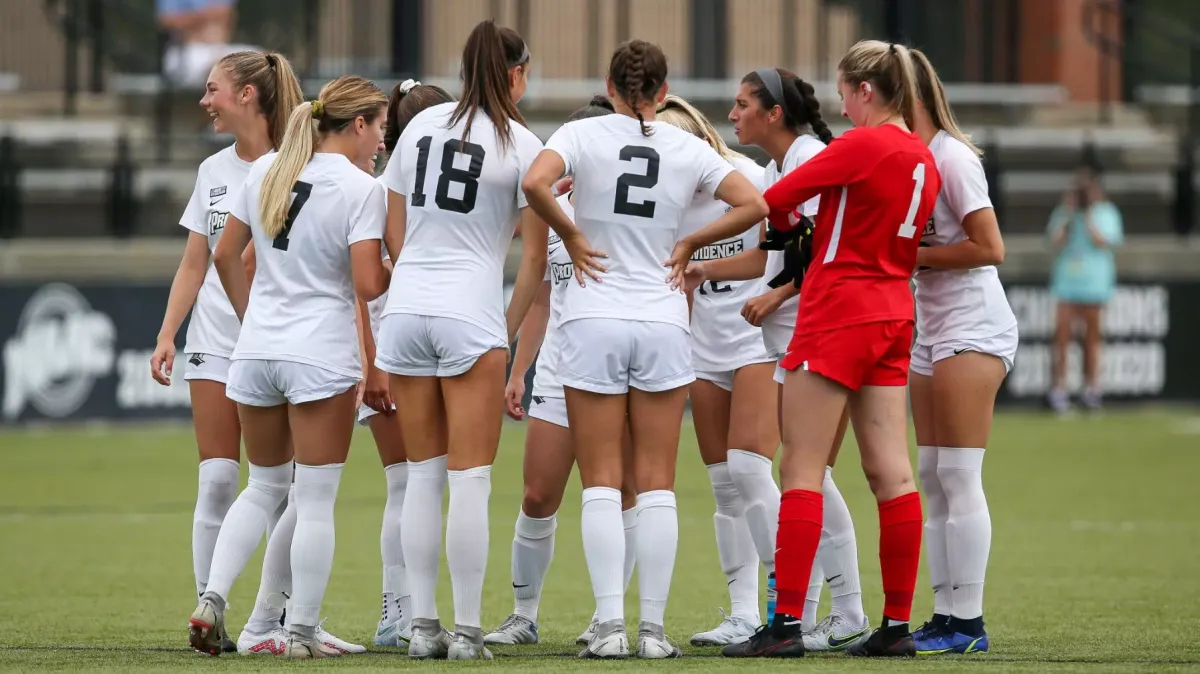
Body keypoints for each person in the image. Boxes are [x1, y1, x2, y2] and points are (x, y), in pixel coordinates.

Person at [669, 40, 940, 658]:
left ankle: (786, 621)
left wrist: (693, 244)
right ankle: (896, 625)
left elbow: (771, 206)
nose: (840, 105)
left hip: (840, 310)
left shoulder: (860, 145)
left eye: (845, 91)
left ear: (866, 90)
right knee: (891, 471)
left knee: (800, 467)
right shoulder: (923, 155)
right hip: (895, 311)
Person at [523, 39, 768, 659]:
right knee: (657, 482)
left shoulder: (581, 138)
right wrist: (689, 246)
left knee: (602, 481)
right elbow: (755, 203)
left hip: (593, 316)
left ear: (609, 85)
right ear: (663, 92)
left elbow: (534, 182)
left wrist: (573, 235)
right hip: (663, 318)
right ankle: (653, 631)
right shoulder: (688, 146)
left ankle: (609, 628)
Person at [188, 75, 391, 659]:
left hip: (255, 352)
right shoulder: (361, 189)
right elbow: (366, 283)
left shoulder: (266, 171)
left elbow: (227, 257)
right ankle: (299, 629)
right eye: (378, 127)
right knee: (315, 499)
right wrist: (411, 265)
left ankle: (212, 599)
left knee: (262, 487)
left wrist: (252, 318)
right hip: (320, 352)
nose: (381, 140)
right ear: (356, 125)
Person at [374, 20, 547, 661]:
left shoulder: (419, 125)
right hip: (470, 312)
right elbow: (533, 261)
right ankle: (468, 632)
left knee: (422, 477)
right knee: (470, 479)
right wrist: (501, 331)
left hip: (408, 308)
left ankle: (422, 629)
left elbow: (394, 231)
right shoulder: (524, 145)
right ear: (514, 75)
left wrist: (418, 274)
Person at [690, 67, 869, 651]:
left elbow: (825, 249)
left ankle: (837, 609)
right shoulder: (778, 167)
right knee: (808, 473)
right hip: (793, 335)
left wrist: (779, 294)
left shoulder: (810, 157)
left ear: (774, 113)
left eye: (743, 104)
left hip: (816, 331)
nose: (733, 114)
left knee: (806, 473)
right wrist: (702, 268)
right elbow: (771, 257)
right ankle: (824, 610)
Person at [150, 50, 304, 655]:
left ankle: (283, 617)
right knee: (217, 479)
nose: (204, 101)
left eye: (212, 90)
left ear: (246, 96)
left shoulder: (297, 167)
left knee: (286, 487)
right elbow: (196, 260)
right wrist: (168, 333)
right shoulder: (213, 170)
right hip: (215, 342)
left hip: (278, 344)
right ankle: (207, 610)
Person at [484, 95, 643, 648]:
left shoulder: (633, 209)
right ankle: (523, 615)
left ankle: (609, 618)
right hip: (555, 368)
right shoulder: (551, 213)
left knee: (621, 490)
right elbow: (543, 300)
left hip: (614, 368)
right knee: (537, 495)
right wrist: (517, 371)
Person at [651, 93, 773, 647]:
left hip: (755, 339)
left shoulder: (746, 178)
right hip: (703, 347)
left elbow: (774, 256)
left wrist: (702, 262)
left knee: (752, 470)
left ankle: (789, 602)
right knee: (724, 486)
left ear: (701, 143)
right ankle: (743, 612)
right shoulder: (664, 191)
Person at [905, 48, 1015, 656]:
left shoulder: (951, 156)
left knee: (957, 472)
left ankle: (968, 622)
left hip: (973, 326)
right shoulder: (913, 158)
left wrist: (912, 257)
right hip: (932, 326)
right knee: (932, 474)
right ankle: (945, 615)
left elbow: (990, 247)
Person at [361, 79, 457, 651]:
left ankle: (405, 609)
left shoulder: (400, 187)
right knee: (409, 482)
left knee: (416, 481)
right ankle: (399, 610)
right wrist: (373, 363)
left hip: (403, 340)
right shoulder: (383, 192)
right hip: (392, 344)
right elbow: (363, 284)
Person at [1047, 164, 1123, 414]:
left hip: (1094, 283)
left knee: (1092, 338)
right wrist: (1070, 216)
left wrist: (1088, 216)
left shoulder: (1107, 212)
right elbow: (1055, 241)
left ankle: (1091, 390)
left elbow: (1103, 241)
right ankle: (1059, 390)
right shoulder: (1064, 212)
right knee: (1062, 338)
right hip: (1067, 281)